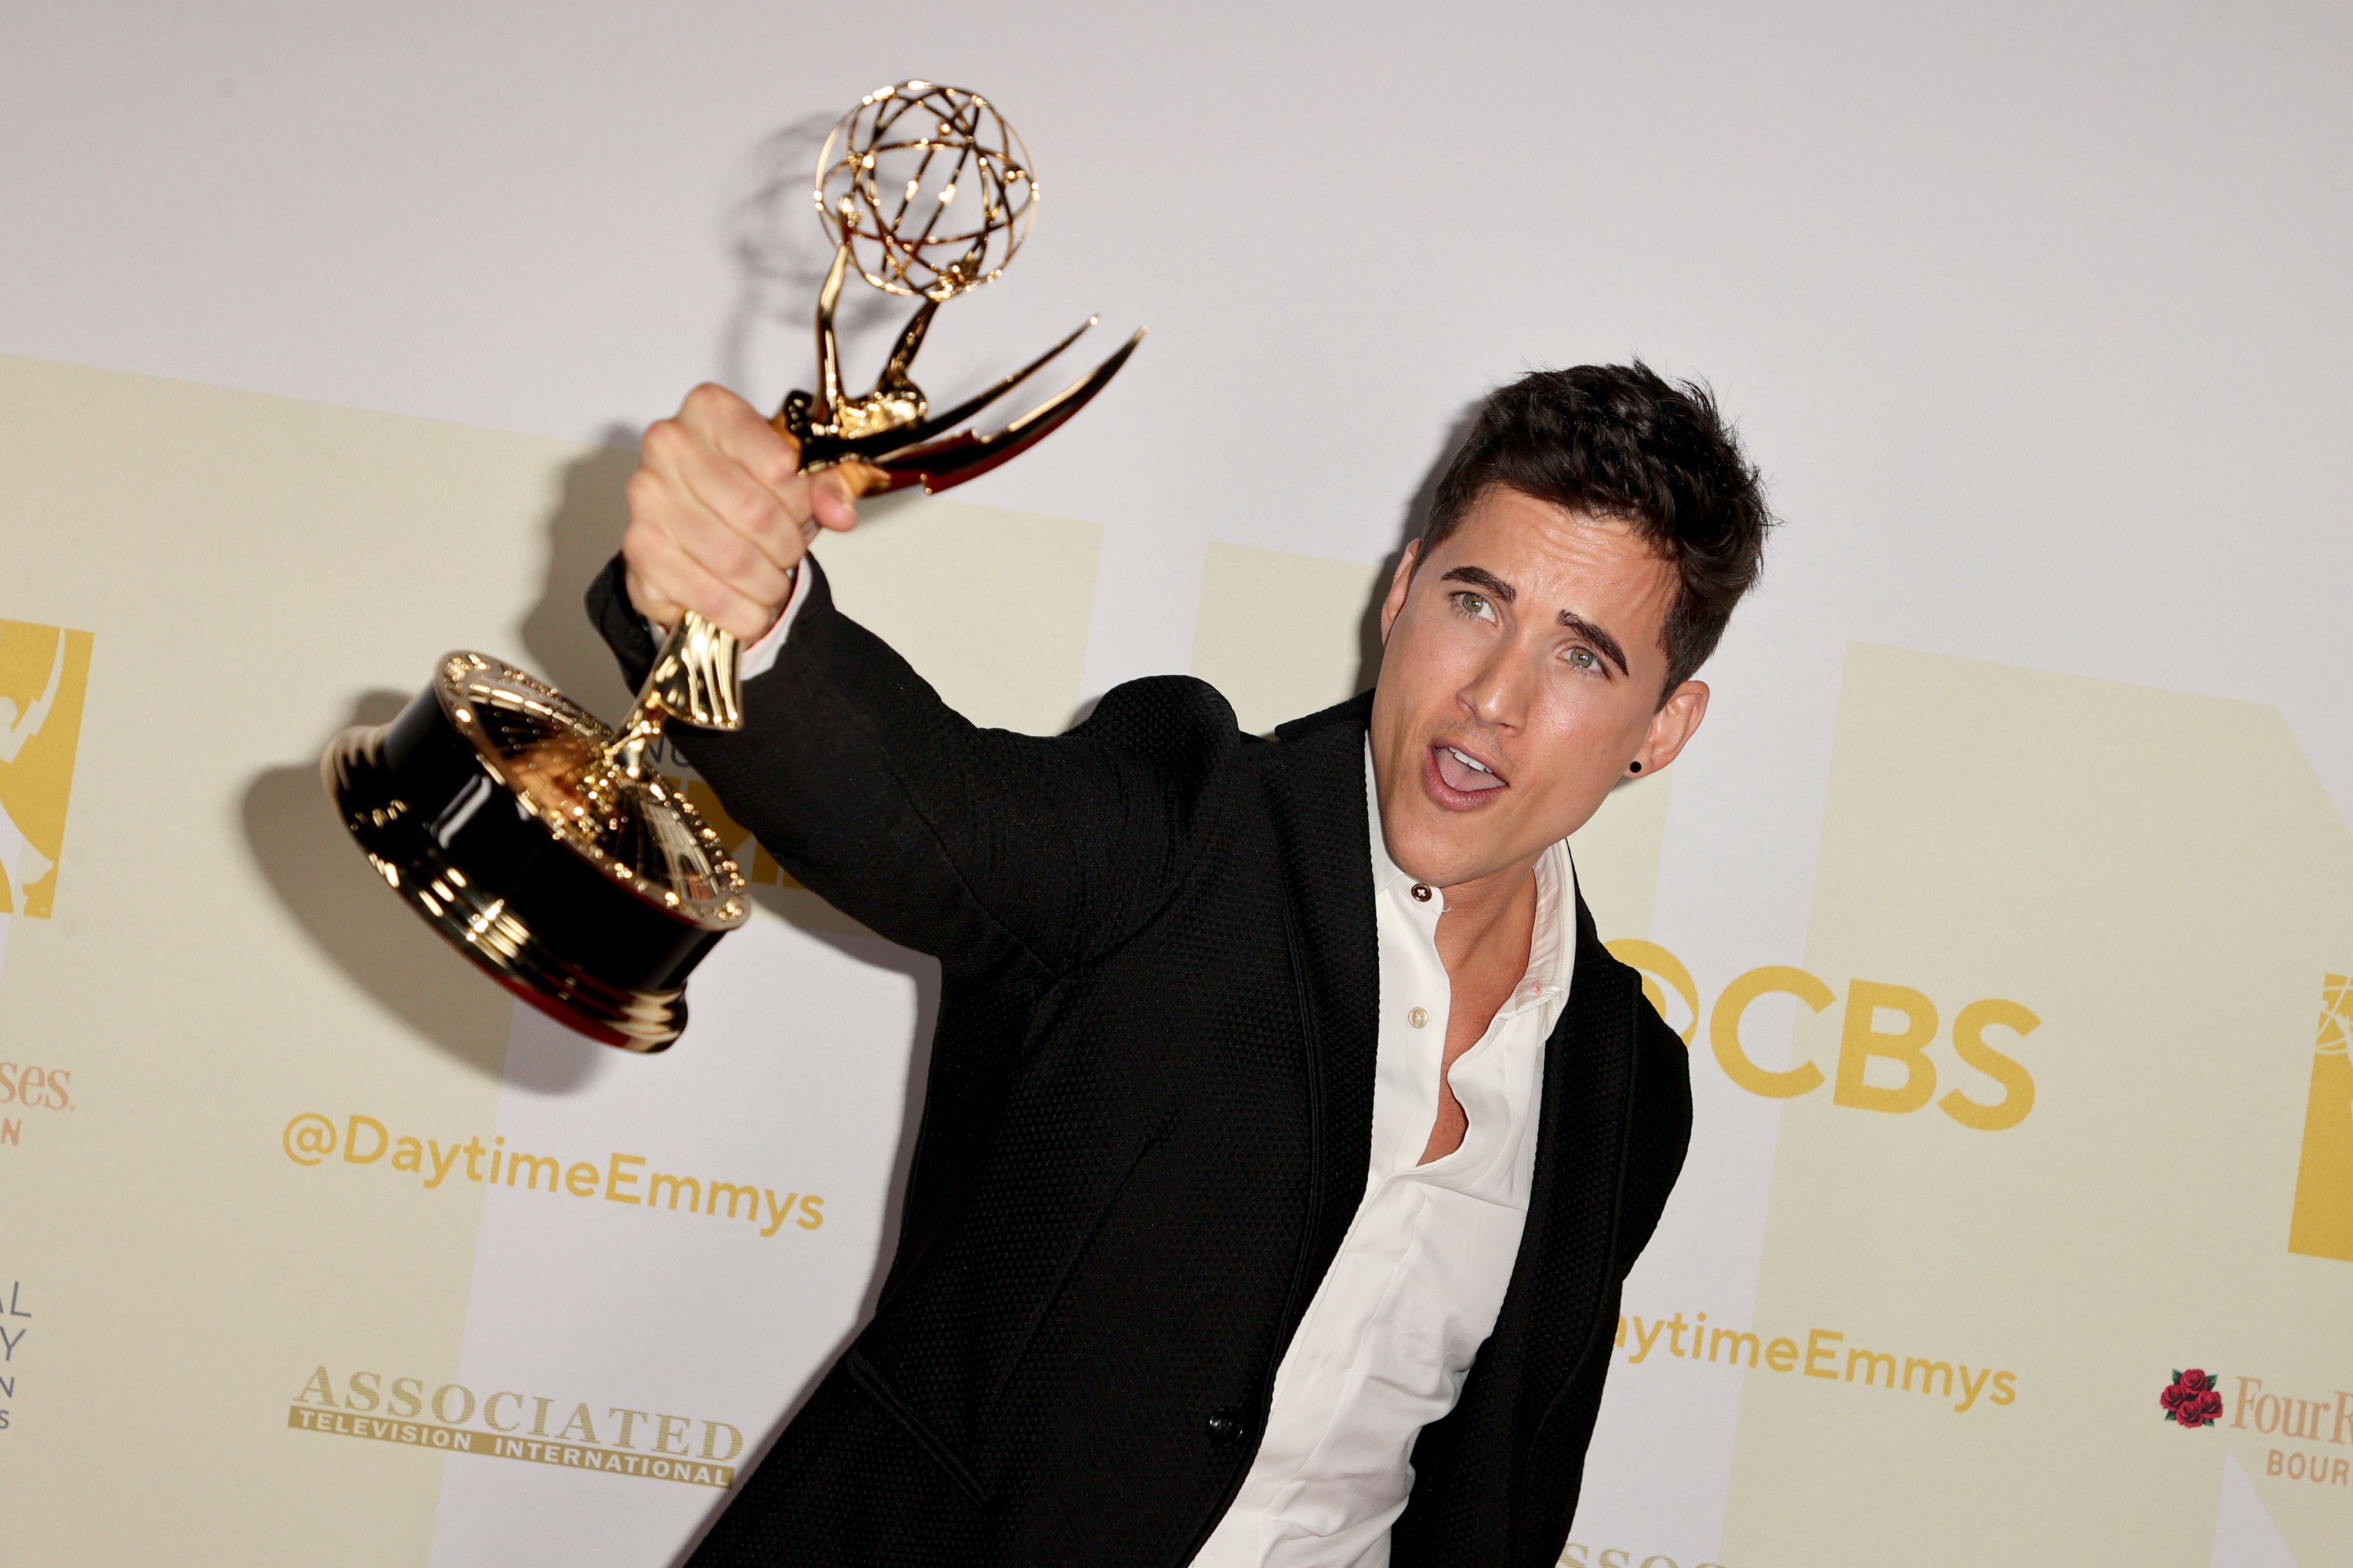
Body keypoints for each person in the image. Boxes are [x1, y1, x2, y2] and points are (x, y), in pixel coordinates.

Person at [589, 363, 1770, 1567]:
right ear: (1402, 591)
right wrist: (738, 614)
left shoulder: (1628, 1081)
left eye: (1582, 659)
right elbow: (937, 816)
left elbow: (1498, 1495)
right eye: (1475, 602)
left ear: (1662, 728)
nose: (1493, 697)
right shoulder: (1186, 823)